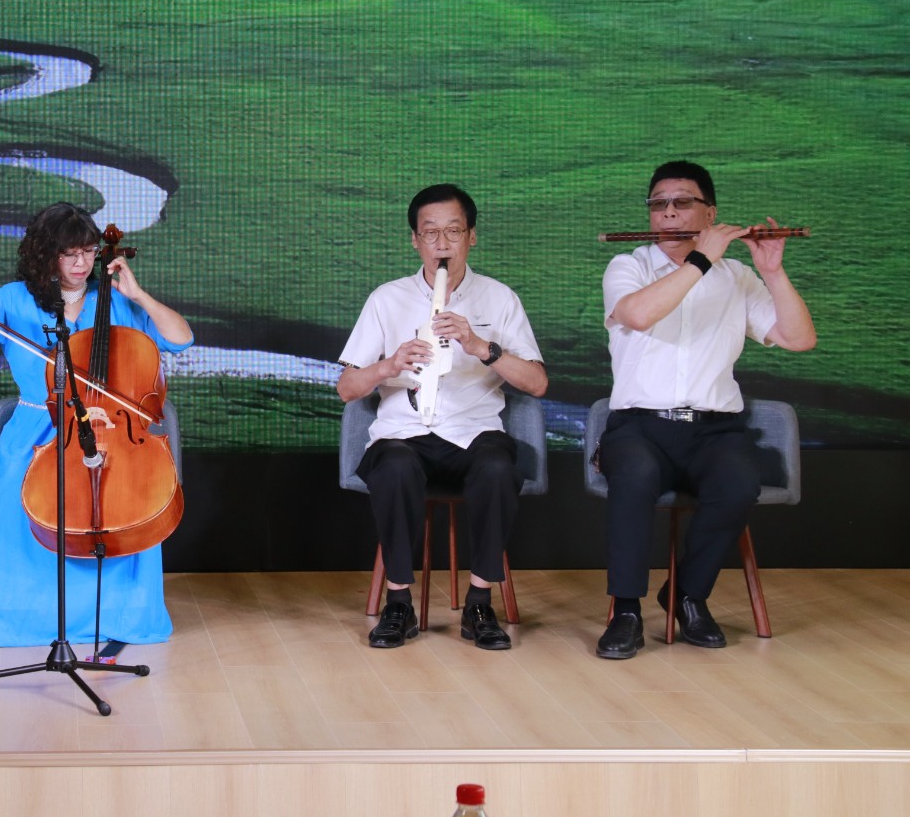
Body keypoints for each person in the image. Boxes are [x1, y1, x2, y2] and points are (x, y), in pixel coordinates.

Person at [594, 161, 814, 660]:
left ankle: (687, 596)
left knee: (738, 484)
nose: (669, 214)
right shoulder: (628, 266)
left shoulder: (738, 277)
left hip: (715, 430)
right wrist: (701, 259)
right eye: (658, 205)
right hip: (638, 426)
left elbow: (798, 339)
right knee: (633, 478)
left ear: (710, 214)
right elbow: (639, 315)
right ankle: (625, 611)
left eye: (682, 203)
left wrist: (773, 272)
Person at [0, 202, 193, 647]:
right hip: (42, 434)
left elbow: (180, 339)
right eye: (69, 254)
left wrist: (139, 296)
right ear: (46, 254)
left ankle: (123, 615)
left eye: (89, 251)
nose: (82, 263)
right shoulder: (16, 298)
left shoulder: (116, 300)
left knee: (128, 500)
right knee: (23, 502)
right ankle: (23, 620)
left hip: (114, 435)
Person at [337, 184, 548, 651]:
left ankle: (479, 603)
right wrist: (389, 366)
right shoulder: (386, 299)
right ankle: (398, 603)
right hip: (403, 433)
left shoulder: (499, 298)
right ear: (415, 241)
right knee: (393, 467)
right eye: (430, 233)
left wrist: (481, 347)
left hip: (474, 433)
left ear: (471, 237)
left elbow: (536, 383)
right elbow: (347, 389)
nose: (442, 244)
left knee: (498, 468)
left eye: (453, 231)